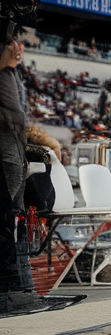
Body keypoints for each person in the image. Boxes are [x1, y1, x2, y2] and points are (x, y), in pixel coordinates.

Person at [0, 37, 34, 311]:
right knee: (6, 214)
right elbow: (16, 115)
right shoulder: (5, 72)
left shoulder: (10, 73)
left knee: (14, 217)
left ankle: (21, 286)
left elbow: (21, 117)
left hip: (15, 148)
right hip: (8, 149)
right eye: (13, 42)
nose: (19, 47)